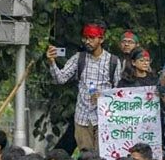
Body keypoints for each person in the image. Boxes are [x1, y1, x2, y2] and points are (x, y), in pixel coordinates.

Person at [47, 21, 122, 150]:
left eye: (91, 38)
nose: (87, 41)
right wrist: (51, 62)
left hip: (104, 119)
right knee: (86, 158)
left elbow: (119, 93)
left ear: (101, 39)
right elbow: (60, 78)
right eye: (85, 38)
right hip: (82, 118)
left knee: (103, 158)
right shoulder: (79, 58)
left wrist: (104, 97)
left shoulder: (113, 61)